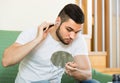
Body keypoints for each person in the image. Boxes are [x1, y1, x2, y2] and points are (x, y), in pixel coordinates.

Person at [2, 3, 100, 83]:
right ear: (58, 21)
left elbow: (88, 75)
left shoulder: (77, 40)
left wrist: (74, 72)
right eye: (69, 29)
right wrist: (37, 40)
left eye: (77, 32)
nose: (72, 36)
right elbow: (6, 61)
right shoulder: (33, 33)